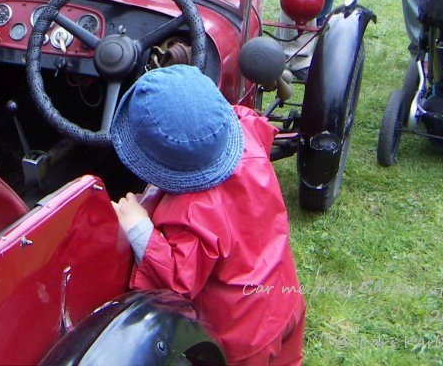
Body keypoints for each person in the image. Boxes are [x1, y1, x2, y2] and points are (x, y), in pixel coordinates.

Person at [110, 65, 305, 364]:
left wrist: (138, 226)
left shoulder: (193, 212)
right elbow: (248, 120)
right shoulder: (247, 133)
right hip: (284, 297)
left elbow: (177, 280)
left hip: (244, 334)